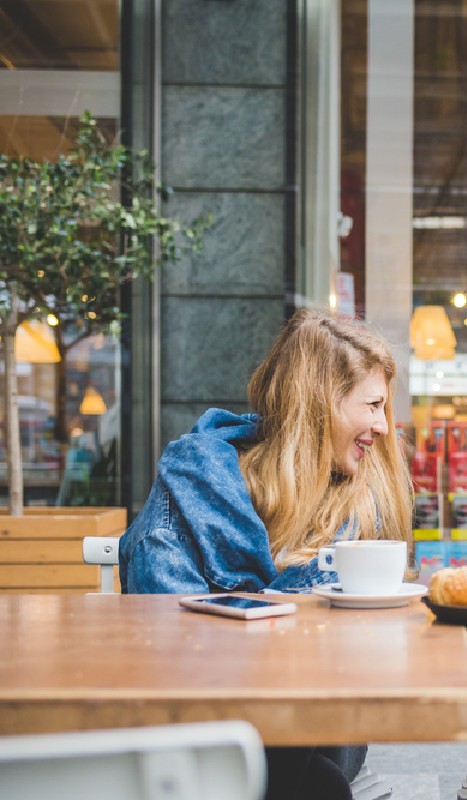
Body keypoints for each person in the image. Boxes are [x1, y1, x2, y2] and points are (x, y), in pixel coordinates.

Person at [120, 307, 414, 800]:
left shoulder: (357, 496)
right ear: (319, 404)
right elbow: (161, 639)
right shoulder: (197, 480)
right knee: (315, 783)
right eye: (372, 405)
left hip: (320, 720)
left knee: (307, 766)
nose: (383, 426)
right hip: (207, 715)